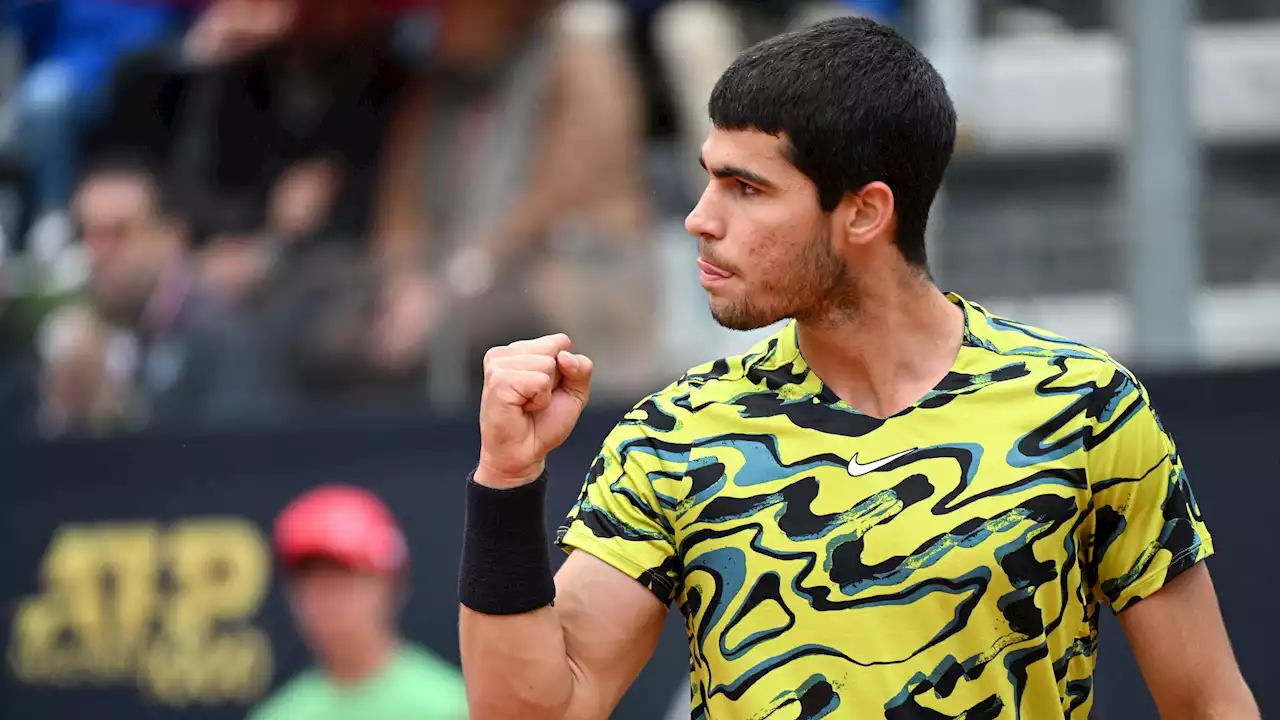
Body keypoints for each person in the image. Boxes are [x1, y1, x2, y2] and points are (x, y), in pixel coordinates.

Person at [457, 16, 1259, 720]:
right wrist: (506, 478)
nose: (701, 219)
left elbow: (1209, 703)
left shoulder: (1085, 407)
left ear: (866, 212)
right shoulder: (673, 434)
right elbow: (535, 711)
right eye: (708, 177)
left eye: (746, 187)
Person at [251, 484, 469, 720]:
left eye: (343, 582)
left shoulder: (452, 708)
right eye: (313, 585)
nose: (328, 602)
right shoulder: (279, 715)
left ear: (390, 585)